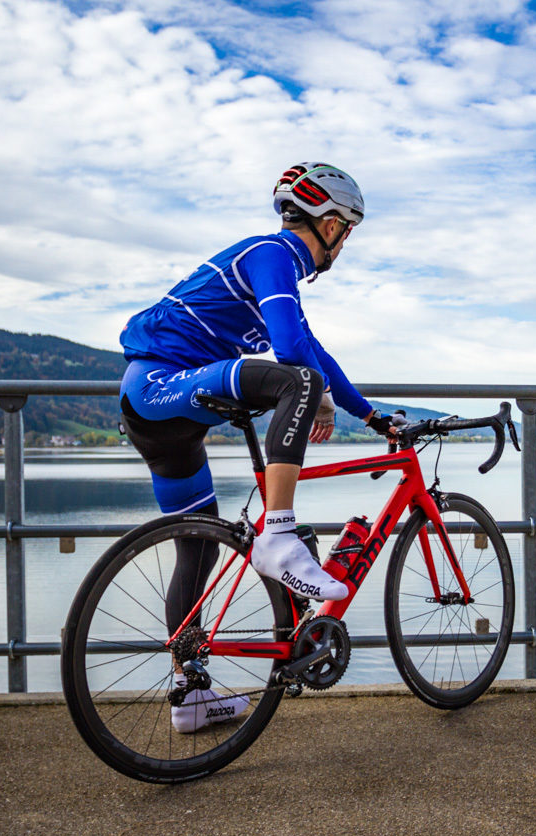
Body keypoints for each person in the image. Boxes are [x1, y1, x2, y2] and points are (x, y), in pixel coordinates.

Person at [119, 162, 396, 730]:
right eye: (347, 230)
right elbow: (295, 351)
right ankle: (279, 534)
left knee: (198, 549)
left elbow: (316, 350)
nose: (343, 244)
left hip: (159, 413)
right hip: (161, 387)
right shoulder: (272, 255)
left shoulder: (276, 275)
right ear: (332, 224)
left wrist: (371, 417)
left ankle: (190, 691)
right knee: (296, 380)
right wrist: (313, 394)